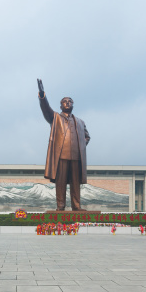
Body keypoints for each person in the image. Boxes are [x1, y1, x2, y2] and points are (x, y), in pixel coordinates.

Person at [37, 79, 90, 211]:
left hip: (76, 157)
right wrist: (42, 96)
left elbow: (87, 137)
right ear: (60, 106)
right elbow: (46, 110)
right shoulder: (55, 118)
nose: (67, 103)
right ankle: (60, 206)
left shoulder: (80, 122)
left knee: (75, 183)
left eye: (70, 101)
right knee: (60, 183)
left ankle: (76, 206)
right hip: (61, 156)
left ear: (73, 104)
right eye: (64, 102)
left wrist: (81, 147)